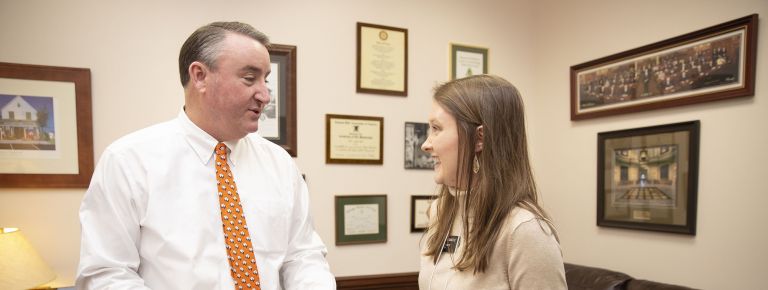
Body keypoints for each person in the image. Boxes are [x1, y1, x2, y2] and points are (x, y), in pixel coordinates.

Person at [76, 22, 335, 289]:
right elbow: (107, 274)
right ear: (199, 76)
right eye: (249, 78)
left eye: (265, 80)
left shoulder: (279, 163)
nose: (265, 95)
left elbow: (303, 256)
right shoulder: (128, 162)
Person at [418, 75, 566, 289]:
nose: (426, 144)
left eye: (437, 129)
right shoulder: (440, 212)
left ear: (480, 138)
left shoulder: (524, 231)